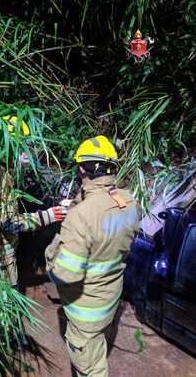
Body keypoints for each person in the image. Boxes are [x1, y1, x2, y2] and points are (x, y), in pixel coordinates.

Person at [45, 135, 140, 376]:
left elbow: (64, 274)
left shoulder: (81, 217)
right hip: (109, 300)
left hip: (85, 312)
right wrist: (79, 204)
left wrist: (52, 250)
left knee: (92, 369)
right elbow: (104, 218)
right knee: (100, 345)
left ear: (80, 169)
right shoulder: (129, 202)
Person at [0, 116, 67, 288]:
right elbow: (9, 222)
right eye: (21, 145)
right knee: (4, 303)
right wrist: (48, 216)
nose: (25, 151)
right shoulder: (0, 177)